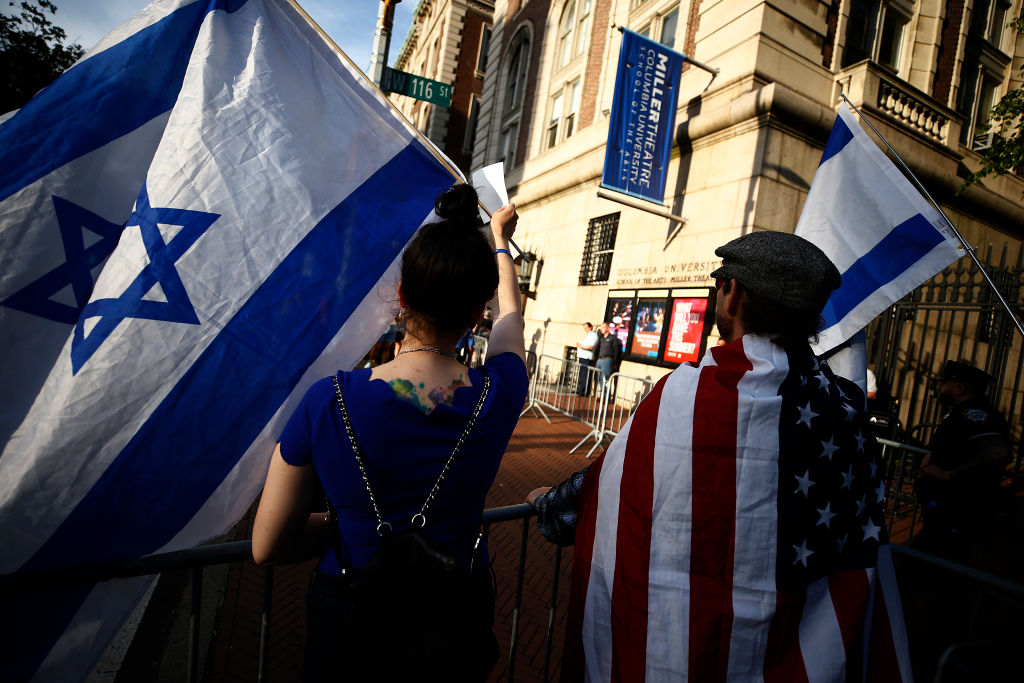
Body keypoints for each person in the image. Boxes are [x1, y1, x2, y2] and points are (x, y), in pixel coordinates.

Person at [526, 231, 911, 681]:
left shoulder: (684, 396)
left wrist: (548, 506)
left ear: (734, 295)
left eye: (721, 285)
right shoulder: (846, 410)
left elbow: (609, 482)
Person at [252, 184, 527, 682]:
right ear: (475, 315)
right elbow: (512, 320)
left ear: (401, 296)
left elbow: (267, 545)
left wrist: (348, 525)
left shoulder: (328, 400)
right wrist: (498, 242)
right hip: (451, 619)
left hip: (349, 612)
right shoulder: (498, 394)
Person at [914, 360, 1011, 563]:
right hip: (942, 508)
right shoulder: (957, 413)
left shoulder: (978, 415)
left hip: (961, 510)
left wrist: (949, 475)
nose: (940, 387)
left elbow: (998, 453)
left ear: (959, 388)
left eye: (944, 382)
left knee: (947, 568)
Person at [593, 322, 621, 394]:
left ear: (608, 328)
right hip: (599, 360)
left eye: (603, 327)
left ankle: (606, 397)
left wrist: (614, 363)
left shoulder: (613, 338)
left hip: (607, 360)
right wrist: (598, 337)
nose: (601, 329)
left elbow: (616, 351)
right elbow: (595, 349)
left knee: (606, 379)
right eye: (601, 328)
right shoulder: (601, 338)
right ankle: (602, 394)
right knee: (599, 379)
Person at [575, 322, 598, 396]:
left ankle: (584, 391)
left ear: (590, 327)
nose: (585, 329)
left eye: (586, 328)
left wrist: (581, 346)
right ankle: (581, 390)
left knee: (585, 375)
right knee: (582, 375)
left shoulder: (593, 335)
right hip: (583, 357)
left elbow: (591, 346)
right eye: (584, 328)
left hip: (587, 358)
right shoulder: (588, 335)